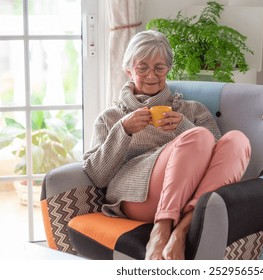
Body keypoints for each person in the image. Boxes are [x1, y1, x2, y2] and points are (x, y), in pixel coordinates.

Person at [82, 30, 251, 260]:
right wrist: (123, 130)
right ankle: (160, 230)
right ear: (128, 70)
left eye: (159, 67)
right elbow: (97, 175)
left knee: (237, 141)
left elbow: (220, 161)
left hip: (191, 199)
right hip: (138, 197)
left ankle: (181, 229)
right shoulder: (110, 118)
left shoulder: (193, 110)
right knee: (199, 136)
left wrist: (183, 127)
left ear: (168, 69)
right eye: (142, 68)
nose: (151, 75)